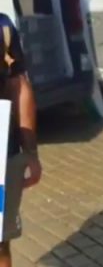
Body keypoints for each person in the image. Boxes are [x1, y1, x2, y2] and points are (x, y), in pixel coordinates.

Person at [0, 14, 43, 267]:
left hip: (3, 151)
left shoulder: (3, 26)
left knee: (0, 242)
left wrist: (30, 153)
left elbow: (18, 86)